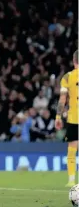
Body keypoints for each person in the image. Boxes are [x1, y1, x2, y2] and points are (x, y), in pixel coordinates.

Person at [55, 50, 78, 188]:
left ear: (74, 61)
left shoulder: (68, 77)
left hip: (74, 118)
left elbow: (62, 99)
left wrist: (58, 117)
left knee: (72, 150)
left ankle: (71, 180)